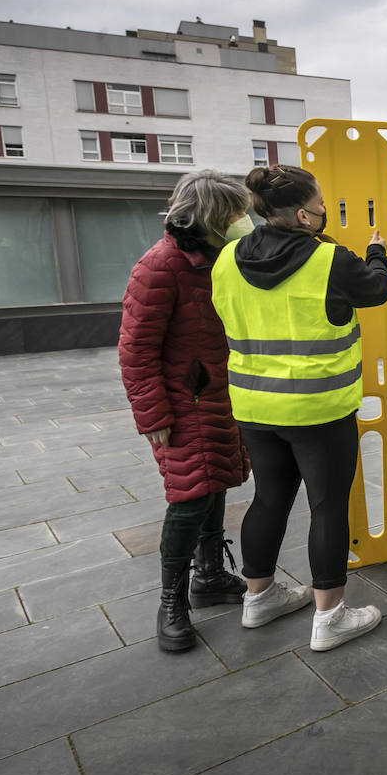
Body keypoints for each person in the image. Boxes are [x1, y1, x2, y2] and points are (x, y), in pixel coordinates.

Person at [210, 164, 387, 652]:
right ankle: (330, 617)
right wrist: (377, 251)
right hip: (318, 407)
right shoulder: (329, 259)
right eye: (319, 204)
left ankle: (259, 598)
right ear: (302, 213)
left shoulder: (227, 259)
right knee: (327, 505)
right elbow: (377, 290)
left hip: (253, 405)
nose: (323, 210)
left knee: (269, 498)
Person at [119, 170, 254, 652]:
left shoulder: (220, 258)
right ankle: (171, 601)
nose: (244, 220)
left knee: (215, 481)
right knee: (191, 495)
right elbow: (135, 349)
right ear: (214, 217)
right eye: (236, 212)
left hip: (220, 392)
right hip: (183, 400)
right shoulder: (160, 265)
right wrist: (153, 416)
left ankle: (211, 576)